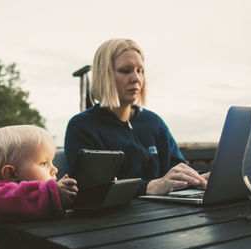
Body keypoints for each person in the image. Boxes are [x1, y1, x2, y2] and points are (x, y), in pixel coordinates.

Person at [64, 38, 209, 196]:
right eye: (126, 71)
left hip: (166, 214)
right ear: (104, 76)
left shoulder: (153, 122)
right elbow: (92, 190)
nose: (136, 79)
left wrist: (200, 178)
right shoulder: (83, 126)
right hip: (116, 219)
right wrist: (149, 187)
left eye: (140, 70)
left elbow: (175, 167)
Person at [0, 125, 78, 249]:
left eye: (51, 161)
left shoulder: (35, 199)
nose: (54, 169)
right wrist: (51, 193)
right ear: (11, 173)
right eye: (44, 163)